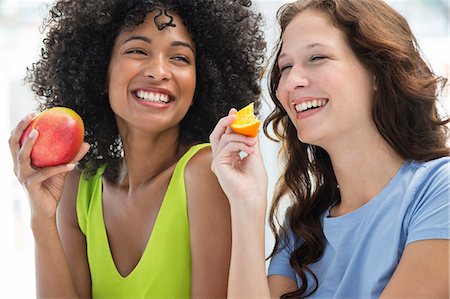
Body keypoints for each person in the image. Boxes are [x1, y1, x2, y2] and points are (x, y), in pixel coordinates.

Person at [9, 0, 266, 298]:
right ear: (100, 70)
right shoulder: (79, 186)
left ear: (201, 82)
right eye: (137, 51)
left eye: (180, 58)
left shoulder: (205, 172)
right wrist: (42, 218)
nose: (159, 71)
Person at [210, 0, 450, 298]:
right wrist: (246, 203)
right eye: (286, 66)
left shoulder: (439, 191)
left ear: (377, 71)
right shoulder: (301, 230)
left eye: (317, 57)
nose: (292, 82)